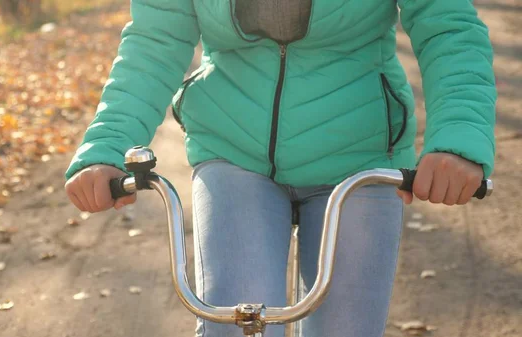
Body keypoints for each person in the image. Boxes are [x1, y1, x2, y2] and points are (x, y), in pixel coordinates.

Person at [64, 0, 496, 336]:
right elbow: (153, 43)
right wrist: (106, 146)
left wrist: (458, 138)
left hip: (360, 154)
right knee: (235, 320)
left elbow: (449, 28)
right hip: (233, 149)